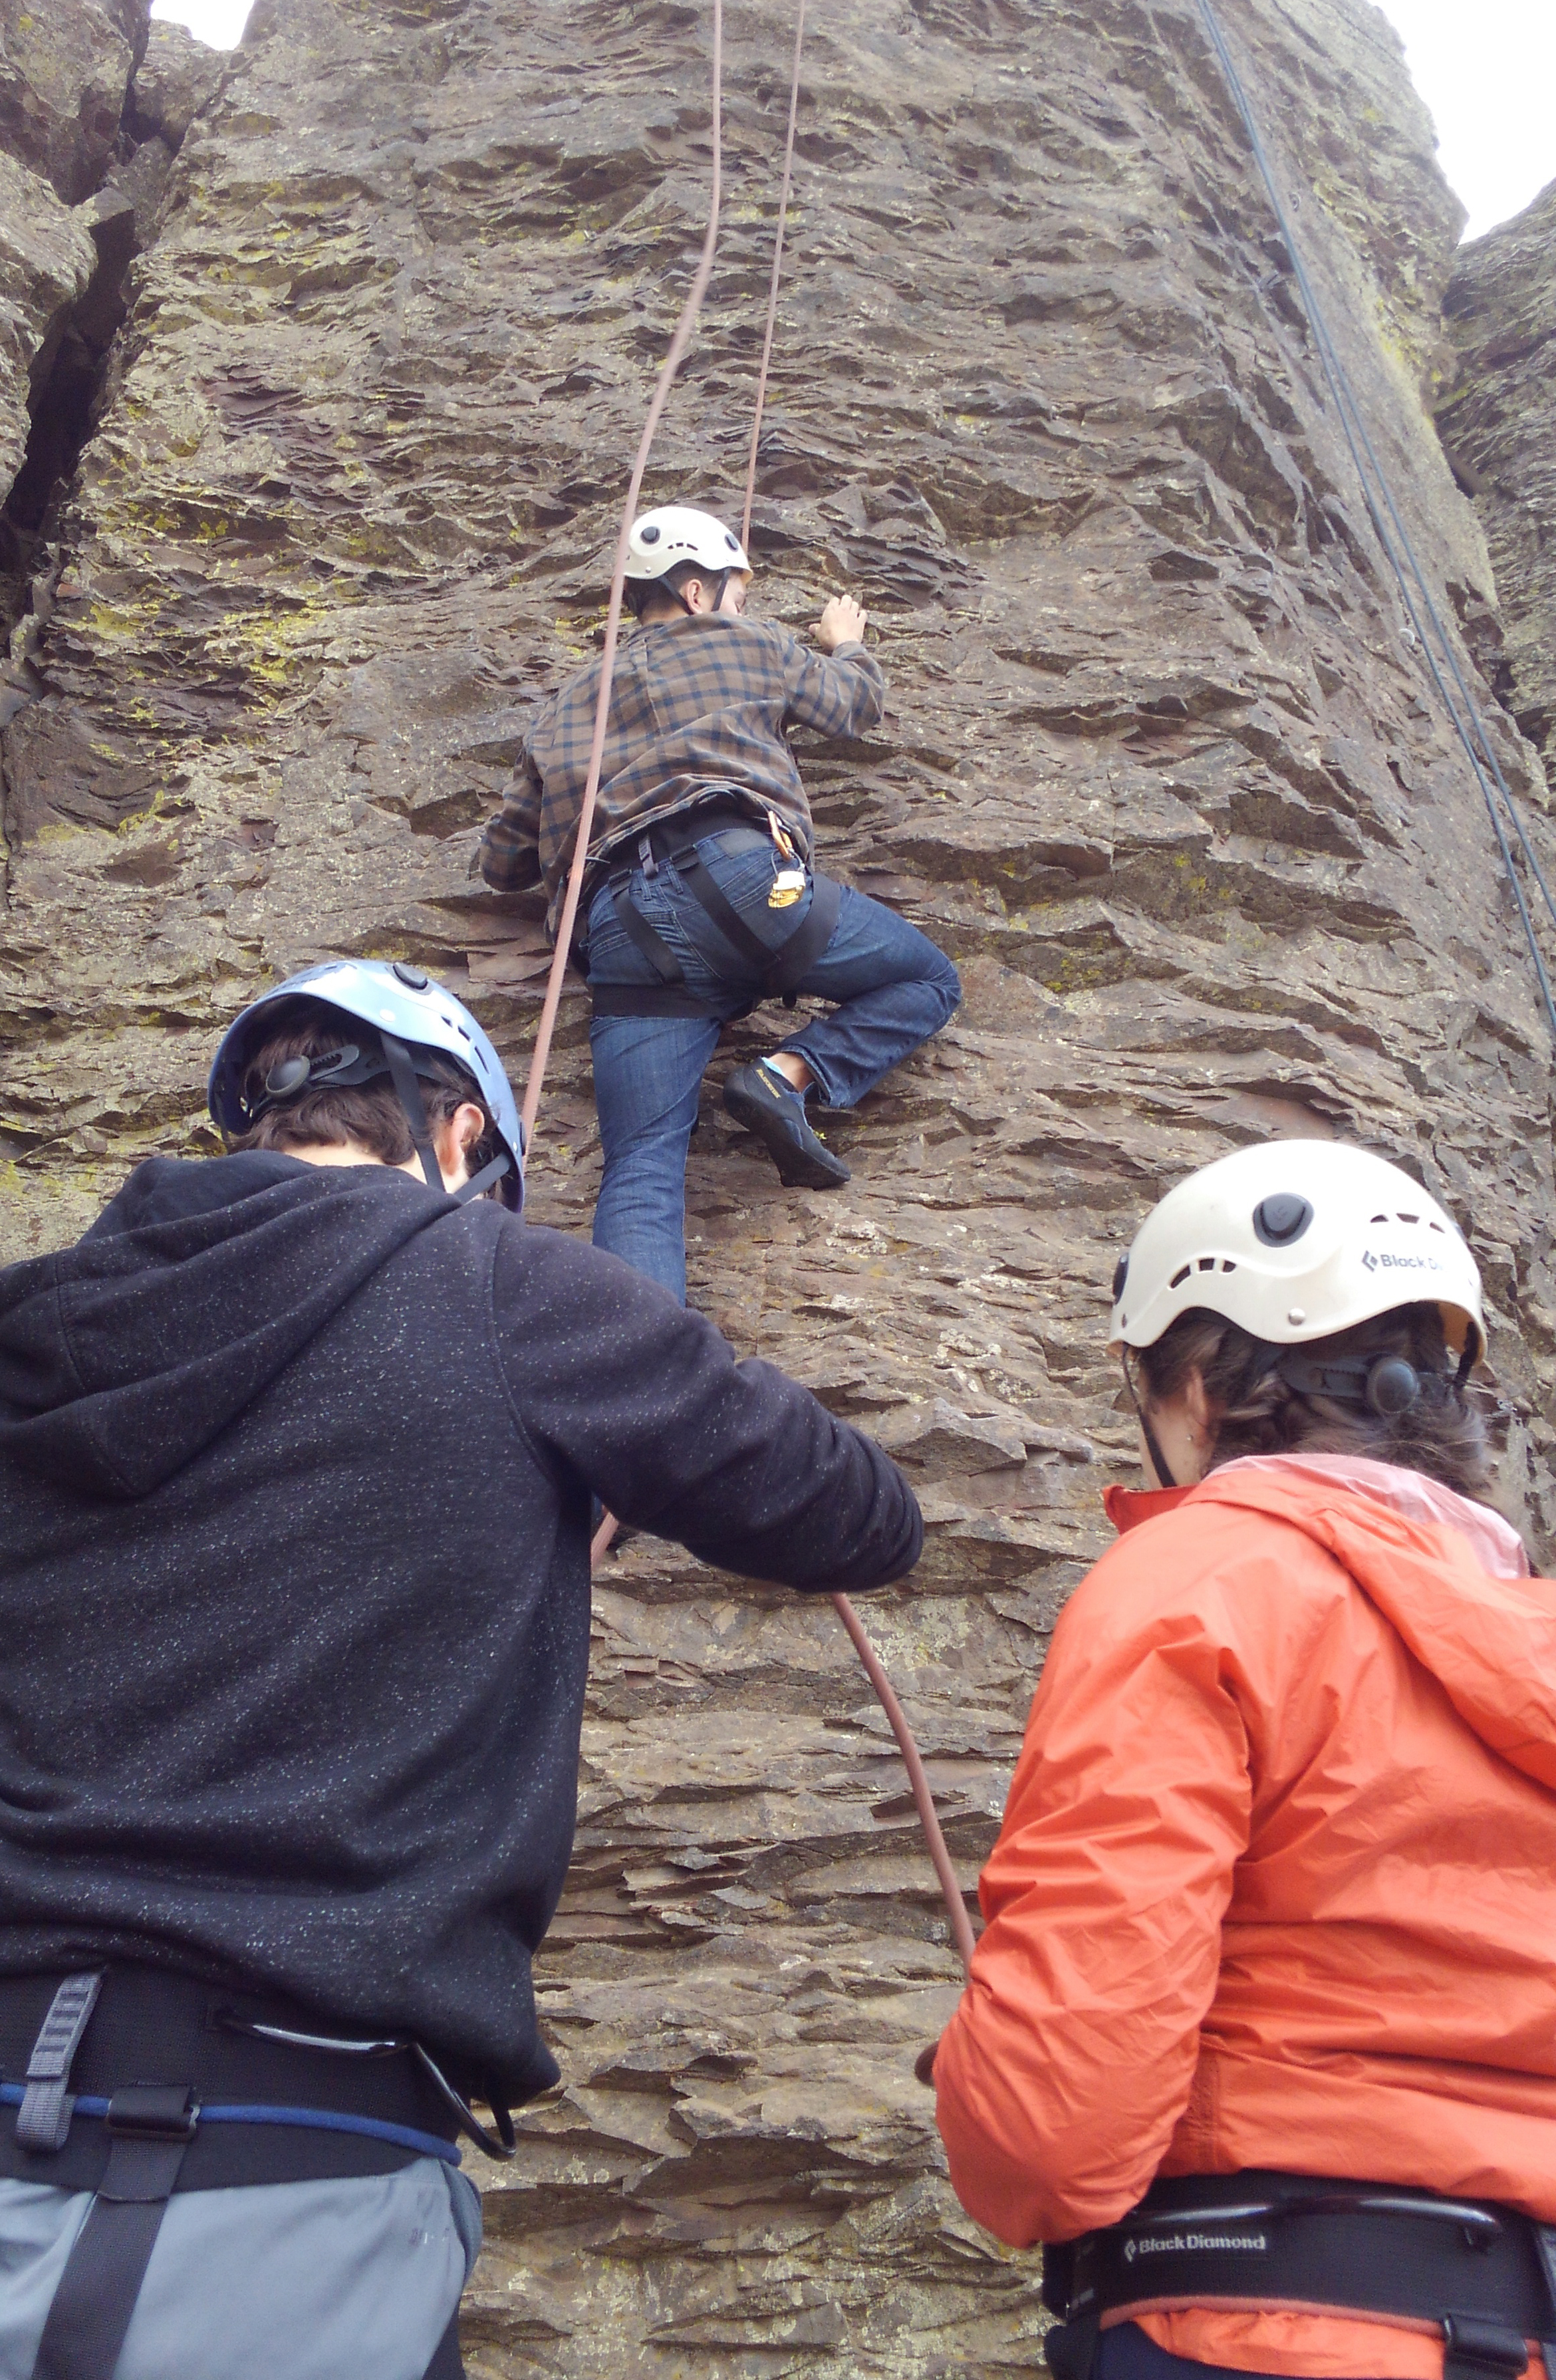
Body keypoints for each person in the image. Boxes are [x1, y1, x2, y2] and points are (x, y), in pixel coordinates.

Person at [0, 958, 923, 2380]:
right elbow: (852, 1512)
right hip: (298, 2146)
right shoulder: (499, 1278)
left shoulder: (38, 1326)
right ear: (458, 1137)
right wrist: (554, 1466)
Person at [926, 1140, 1556, 2380]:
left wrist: (975, 2074)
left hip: (1259, 2328)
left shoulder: (1196, 1582)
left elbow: (1057, 2126)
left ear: (1200, 1390)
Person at [477, 503, 962, 1303]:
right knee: (929, 982)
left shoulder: (566, 709)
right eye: (738, 592)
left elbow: (501, 864)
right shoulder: (753, 645)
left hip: (623, 935)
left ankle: (644, 1379)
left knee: (640, 1169)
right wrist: (848, 643)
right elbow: (852, 707)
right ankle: (786, 1074)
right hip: (742, 879)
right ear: (697, 593)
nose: (743, 608)